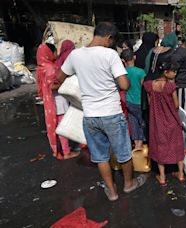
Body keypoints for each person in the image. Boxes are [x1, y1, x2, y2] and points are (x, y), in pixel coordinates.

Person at [57, 22, 147, 201]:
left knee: (100, 156)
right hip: (112, 113)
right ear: (109, 38)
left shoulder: (75, 55)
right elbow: (124, 84)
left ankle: (112, 192)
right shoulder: (110, 54)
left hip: (90, 115)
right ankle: (128, 184)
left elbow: (60, 77)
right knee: (123, 153)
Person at [144, 57, 185, 186]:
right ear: (166, 73)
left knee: (160, 146)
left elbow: (150, 103)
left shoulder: (149, 85)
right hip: (171, 120)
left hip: (157, 121)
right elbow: (177, 105)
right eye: (173, 71)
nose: (175, 73)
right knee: (177, 145)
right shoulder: (170, 87)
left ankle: (162, 177)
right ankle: (181, 174)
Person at [37, 43, 80, 160]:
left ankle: (59, 149)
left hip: (50, 101)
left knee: (58, 125)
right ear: (49, 53)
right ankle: (66, 152)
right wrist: (63, 82)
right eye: (55, 51)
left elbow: (42, 86)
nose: (57, 54)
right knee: (63, 126)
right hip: (58, 101)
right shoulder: (50, 68)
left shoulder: (41, 67)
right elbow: (51, 86)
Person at [55, 39, 82, 153]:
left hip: (65, 93)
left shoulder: (58, 60)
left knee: (69, 118)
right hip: (75, 91)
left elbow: (59, 77)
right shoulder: (73, 58)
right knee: (79, 116)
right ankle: (80, 142)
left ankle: (72, 144)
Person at [121, 49, 146, 150]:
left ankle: (136, 146)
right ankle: (140, 146)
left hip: (129, 102)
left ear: (124, 60)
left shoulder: (123, 73)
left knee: (133, 123)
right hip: (139, 102)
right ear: (134, 57)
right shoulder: (140, 72)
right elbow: (143, 87)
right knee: (142, 123)